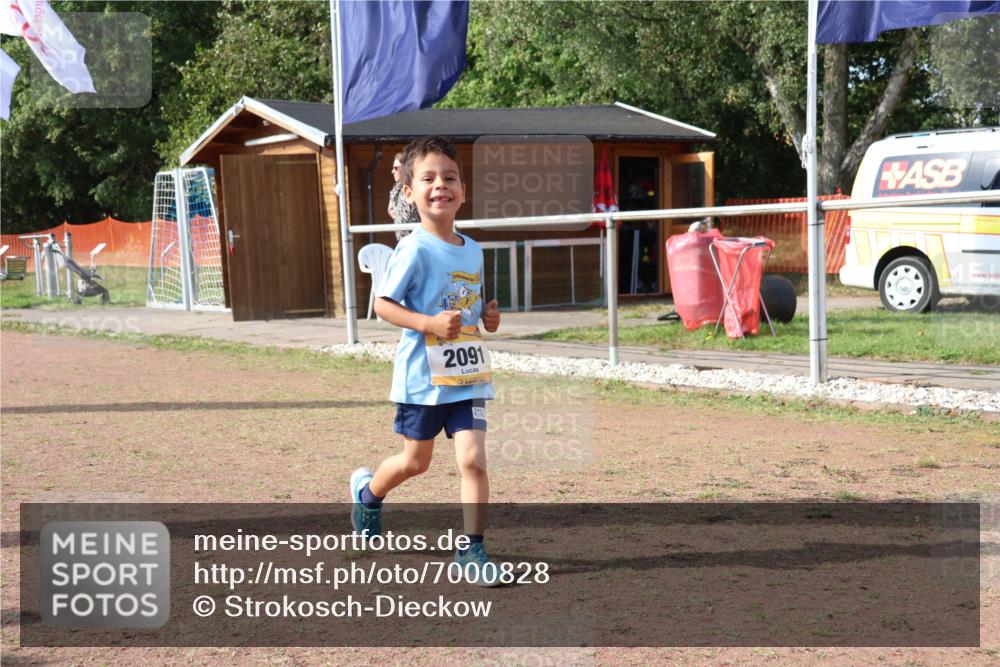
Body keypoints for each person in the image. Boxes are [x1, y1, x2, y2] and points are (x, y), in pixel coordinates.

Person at [350, 136, 503, 586]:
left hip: (468, 375)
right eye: (429, 178)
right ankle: (368, 493)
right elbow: (384, 305)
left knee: (472, 460)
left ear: (463, 189)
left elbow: (467, 307)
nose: (441, 185)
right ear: (410, 193)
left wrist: (487, 317)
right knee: (416, 462)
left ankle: (472, 549)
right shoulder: (412, 248)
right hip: (422, 379)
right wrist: (429, 324)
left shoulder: (472, 249)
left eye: (450, 177)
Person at [387, 151, 421, 240]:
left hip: (417, 238)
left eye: (396, 168)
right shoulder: (396, 187)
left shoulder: (415, 185)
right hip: (401, 239)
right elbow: (390, 208)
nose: (392, 171)